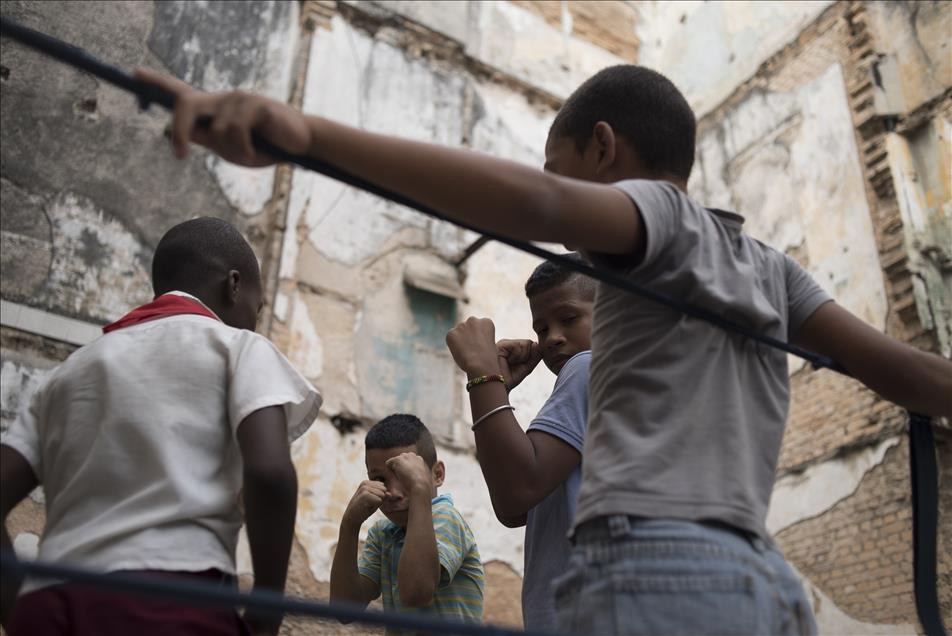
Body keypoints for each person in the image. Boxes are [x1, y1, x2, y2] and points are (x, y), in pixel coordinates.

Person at [139, 64, 952, 635]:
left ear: (605, 152)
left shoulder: (659, 219)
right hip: (761, 580)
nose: (564, 208)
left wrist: (305, 135)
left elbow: (531, 202)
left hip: (654, 569)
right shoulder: (768, 267)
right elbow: (915, 375)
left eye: (565, 171)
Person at [0, 217, 322, 636]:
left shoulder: (67, 373)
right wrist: (266, 613)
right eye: (257, 310)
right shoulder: (239, 348)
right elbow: (271, 473)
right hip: (171, 600)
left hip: (50, 606)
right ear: (234, 285)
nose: (255, 323)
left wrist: (16, 606)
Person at [444, 254, 594, 632]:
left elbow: (517, 490)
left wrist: (483, 375)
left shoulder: (588, 366)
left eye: (569, 318)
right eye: (541, 329)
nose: (553, 338)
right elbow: (514, 511)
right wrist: (495, 387)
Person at [329, 414, 484, 631]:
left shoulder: (444, 517)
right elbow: (343, 610)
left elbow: (416, 593)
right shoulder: (383, 533)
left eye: (405, 476)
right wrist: (349, 525)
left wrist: (419, 490)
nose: (392, 493)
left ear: (437, 474)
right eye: (380, 479)